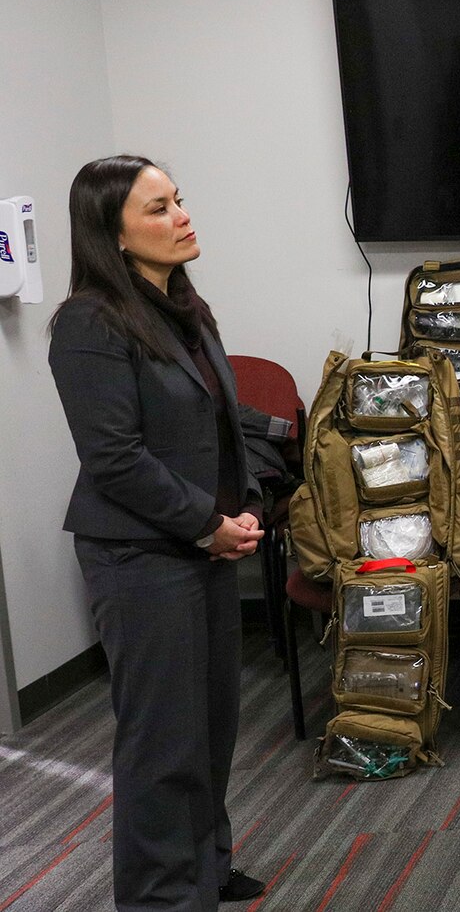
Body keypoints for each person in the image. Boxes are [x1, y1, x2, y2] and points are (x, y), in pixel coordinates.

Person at [48, 156, 268, 910]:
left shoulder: (183, 305)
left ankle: (204, 868)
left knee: (209, 729)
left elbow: (212, 422)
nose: (182, 215)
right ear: (112, 233)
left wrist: (242, 506)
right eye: (159, 207)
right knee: (161, 742)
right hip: (140, 556)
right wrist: (207, 524)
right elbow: (114, 457)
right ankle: (159, 897)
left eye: (179, 200)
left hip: (200, 546)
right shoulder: (88, 321)